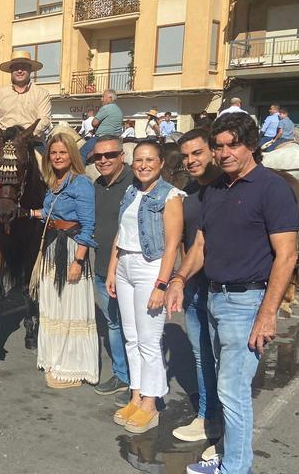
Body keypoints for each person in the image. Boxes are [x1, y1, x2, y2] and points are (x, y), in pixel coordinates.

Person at [166, 112, 299, 474]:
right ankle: (230, 458)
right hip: (215, 297)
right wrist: (178, 278)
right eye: (219, 146)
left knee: (233, 392)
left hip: (247, 302)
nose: (225, 153)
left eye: (233, 145)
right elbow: (201, 245)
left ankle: (235, 468)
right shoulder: (216, 190)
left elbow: (287, 255)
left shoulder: (272, 188)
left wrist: (268, 314)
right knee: (227, 387)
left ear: (251, 145)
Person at [106, 141, 184, 435]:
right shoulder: (130, 191)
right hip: (125, 264)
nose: (143, 165)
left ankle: (151, 403)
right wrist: (113, 268)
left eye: (149, 159)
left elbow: (173, 245)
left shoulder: (170, 195)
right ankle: (136, 395)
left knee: (149, 341)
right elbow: (120, 233)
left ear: (161, 163)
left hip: (150, 268)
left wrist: (162, 285)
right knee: (131, 337)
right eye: (138, 159)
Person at [29, 132, 98, 389]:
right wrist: (27, 212)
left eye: (62, 152)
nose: (57, 157)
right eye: (54, 153)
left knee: (70, 306)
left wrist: (78, 261)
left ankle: (72, 368)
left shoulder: (81, 183)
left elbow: (88, 224)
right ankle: (55, 358)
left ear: (72, 155)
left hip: (71, 248)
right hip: (52, 245)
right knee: (54, 304)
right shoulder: (54, 182)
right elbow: (50, 212)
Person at [172, 128, 221, 443]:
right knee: (201, 354)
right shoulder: (187, 191)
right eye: (186, 156)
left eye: (197, 153)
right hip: (193, 284)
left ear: (212, 151)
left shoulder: (226, 187)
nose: (191, 161)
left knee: (223, 359)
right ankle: (206, 417)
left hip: (222, 287)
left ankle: (222, 428)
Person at [87, 135, 134, 399]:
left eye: (110, 155)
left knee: (135, 330)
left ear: (121, 156)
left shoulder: (134, 184)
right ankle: (122, 375)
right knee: (114, 324)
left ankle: (139, 384)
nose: (103, 160)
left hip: (129, 270)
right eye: (98, 157)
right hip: (103, 268)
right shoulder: (96, 184)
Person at [0, 49, 51, 153]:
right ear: (11, 70)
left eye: (24, 67)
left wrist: (26, 136)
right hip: (3, 143)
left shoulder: (42, 93)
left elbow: (44, 119)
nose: (19, 71)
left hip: (32, 143)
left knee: (49, 168)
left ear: (30, 70)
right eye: (16, 67)